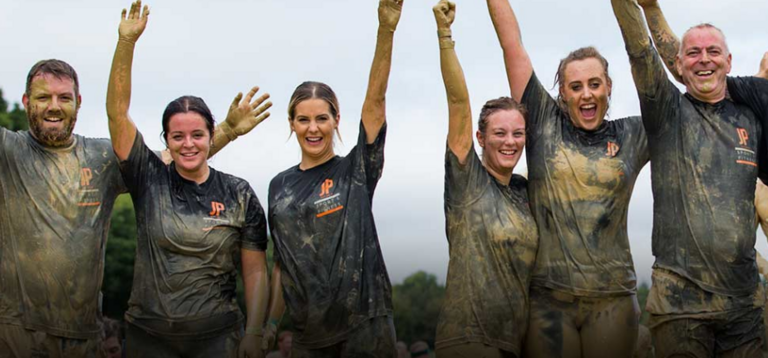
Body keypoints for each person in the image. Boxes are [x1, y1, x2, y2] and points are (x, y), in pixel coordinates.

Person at [0, 21, 261, 358]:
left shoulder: (101, 157)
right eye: (43, 97)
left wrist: (227, 129)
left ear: (78, 102)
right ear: (25, 101)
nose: (53, 106)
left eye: (64, 98)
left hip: (83, 334)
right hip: (13, 331)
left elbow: (176, 157)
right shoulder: (8, 151)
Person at [105, 2, 272, 358]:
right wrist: (126, 43)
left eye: (197, 134)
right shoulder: (149, 178)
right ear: (165, 140)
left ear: (213, 135)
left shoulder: (239, 193)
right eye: (177, 137)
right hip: (148, 337)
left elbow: (256, 272)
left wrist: (255, 332)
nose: (188, 144)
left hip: (218, 338)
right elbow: (117, 114)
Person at [485, 1, 649, 356]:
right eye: (575, 87)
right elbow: (511, 44)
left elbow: (680, 108)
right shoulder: (544, 123)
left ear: (608, 86)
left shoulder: (633, 134)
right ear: (563, 93)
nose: (586, 93)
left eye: (594, 84)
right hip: (549, 297)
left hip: (613, 295)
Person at [612, 0, 768, 356]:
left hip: (744, 304)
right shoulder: (665, 108)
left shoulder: (752, 117)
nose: (704, 59)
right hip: (680, 305)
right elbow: (639, 50)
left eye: (714, 52)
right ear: (678, 65)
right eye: (693, 53)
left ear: (729, 62)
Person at [263, 0, 403, 356]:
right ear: (291, 123)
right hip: (308, 336)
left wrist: (385, 31)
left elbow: (375, 101)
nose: (313, 129)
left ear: (337, 120)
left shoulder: (356, 169)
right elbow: (282, 265)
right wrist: (266, 326)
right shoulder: (279, 187)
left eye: (322, 118)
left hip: (365, 326)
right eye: (303, 119)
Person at [431, 1, 538, 358]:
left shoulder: (526, 192)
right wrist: (446, 36)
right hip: (467, 340)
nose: (510, 142)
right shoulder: (467, 181)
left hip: (515, 342)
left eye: (518, 134)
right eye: (500, 133)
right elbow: (458, 101)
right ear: (480, 138)